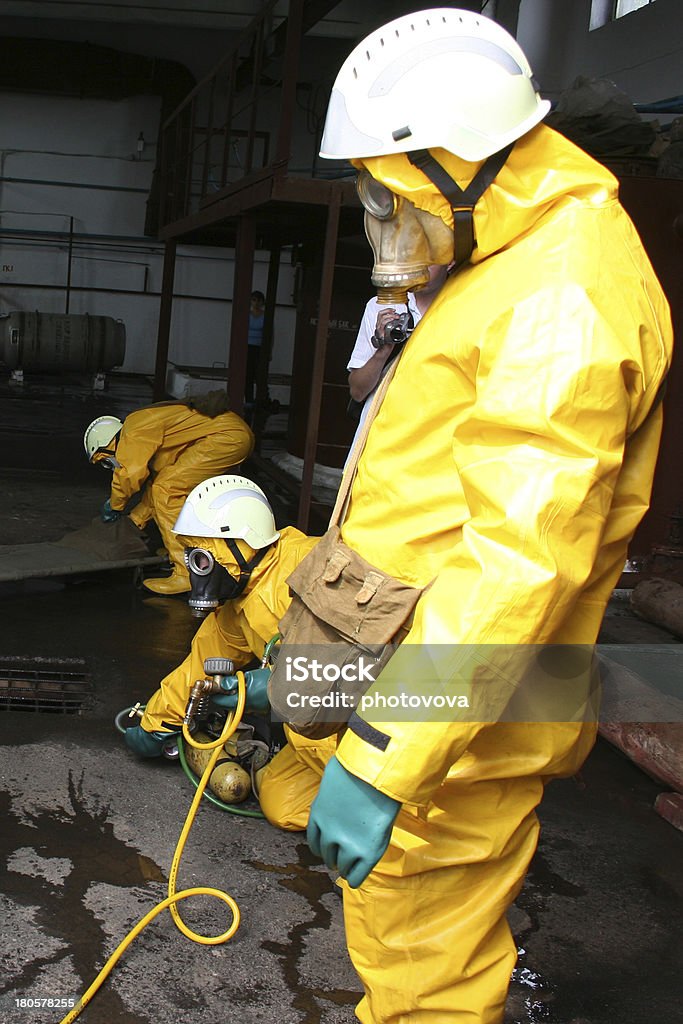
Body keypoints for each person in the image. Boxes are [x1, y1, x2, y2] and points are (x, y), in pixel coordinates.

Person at [247, 9, 672, 1024]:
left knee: (422, 954)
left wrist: (385, 754)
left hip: (455, 711)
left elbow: (515, 567)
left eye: (389, 192)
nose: (382, 221)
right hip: (428, 676)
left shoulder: (561, 299)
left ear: (461, 161)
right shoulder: (511, 257)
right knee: (416, 929)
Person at [123, 474, 319, 756]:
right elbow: (201, 663)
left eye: (202, 558)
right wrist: (156, 723)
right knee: (278, 794)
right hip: (312, 732)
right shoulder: (242, 600)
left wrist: (280, 684)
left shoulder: (312, 568)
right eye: (192, 557)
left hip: (377, 728)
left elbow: (378, 661)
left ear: (243, 543)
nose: (197, 571)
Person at [84, 394, 254, 596]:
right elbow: (154, 487)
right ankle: (181, 550)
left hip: (226, 438)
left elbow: (130, 474)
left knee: (167, 490)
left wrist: (115, 504)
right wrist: (134, 521)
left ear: (107, 443)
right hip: (230, 435)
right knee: (164, 486)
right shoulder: (144, 431)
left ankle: (186, 571)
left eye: (105, 461)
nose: (110, 466)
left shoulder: (134, 431)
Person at [245, 290, 265, 409]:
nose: (256, 303)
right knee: (248, 374)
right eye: (254, 300)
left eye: (259, 300)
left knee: (258, 374)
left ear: (262, 302)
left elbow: (270, 334)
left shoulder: (265, 316)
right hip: (247, 347)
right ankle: (249, 399)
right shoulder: (247, 314)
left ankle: (260, 400)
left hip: (259, 348)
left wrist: (269, 352)